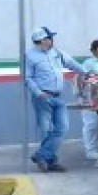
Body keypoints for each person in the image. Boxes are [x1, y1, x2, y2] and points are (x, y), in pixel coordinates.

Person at [24, 26, 88, 172]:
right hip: (42, 97)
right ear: (42, 40)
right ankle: (51, 161)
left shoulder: (57, 53)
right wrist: (38, 92)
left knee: (62, 128)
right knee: (46, 130)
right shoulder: (30, 55)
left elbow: (71, 63)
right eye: (49, 38)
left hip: (58, 96)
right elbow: (28, 78)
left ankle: (41, 155)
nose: (52, 40)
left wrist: (85, 72)